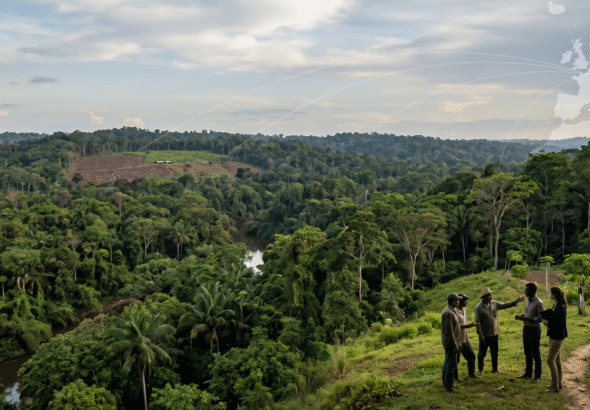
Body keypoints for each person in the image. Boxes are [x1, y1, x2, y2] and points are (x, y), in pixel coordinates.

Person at [474, 287, 525, 375]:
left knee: (495, 352)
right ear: (484, 297)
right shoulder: (478, 308)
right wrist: (480, 335)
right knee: (482, 353)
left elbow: (505, 305)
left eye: (491, 295)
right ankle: (480, 370)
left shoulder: (494, 304)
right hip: (485, 335)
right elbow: (477, 322)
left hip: (494, 333)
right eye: (489, 295)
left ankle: (495, 369)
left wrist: (516, 301)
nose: (491, 297)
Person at [514, 282, 545, 383]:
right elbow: (529, 314)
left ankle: (537, 376)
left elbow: (541, 318)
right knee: (527, 352)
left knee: (536, 353)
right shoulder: (527, 301)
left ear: (532, 291)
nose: (525, 292)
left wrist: (526, 318)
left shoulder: (539, 302)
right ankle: (528, 373)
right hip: (526, 328)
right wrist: (522, 316)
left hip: (534, 330)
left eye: (526, 290)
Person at [543, 286, 568, 393]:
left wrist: (549, 323)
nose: (549, 295)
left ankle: (554, 386)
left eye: (550, 293)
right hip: (553, 335)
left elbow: (561, 323)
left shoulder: (561, 307)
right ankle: (559, 383)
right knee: (557, 360)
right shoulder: (555, 305)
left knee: (550, 360)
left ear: (555, 295)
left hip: (558, 337)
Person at [455, 293, 479, 380]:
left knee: (471, 356)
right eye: (464, 301)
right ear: (459, 302)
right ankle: (455, 377)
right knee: (456, 360)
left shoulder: (464, 310)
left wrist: (468, 326)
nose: (466, 302)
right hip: (457, 340)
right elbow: (456, 326)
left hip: (465, 339)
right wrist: (469, 326)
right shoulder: (454, 312)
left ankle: (471, 374)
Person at [441, 293, 462, 392]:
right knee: (451, 365)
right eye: (457, 300)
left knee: (447, 364)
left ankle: (446, 385)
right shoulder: (448, 313)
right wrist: (455, 344)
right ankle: (449, 387)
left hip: (450, 343)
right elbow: (450, 331)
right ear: (453, 301)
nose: (459, 302)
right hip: (451, 344)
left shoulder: (451, 311)